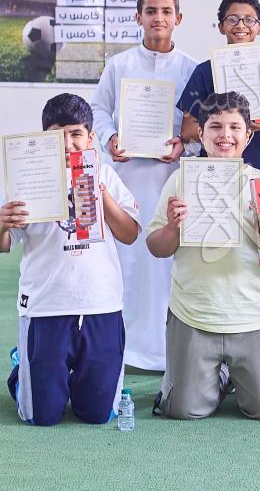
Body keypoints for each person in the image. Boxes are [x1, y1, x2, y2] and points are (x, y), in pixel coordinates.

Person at [147, 92, 260, 420]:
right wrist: (172, 227)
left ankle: (223, 375)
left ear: (249, 135)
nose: (225, 135)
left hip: (254, 315)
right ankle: (215, 376)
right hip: (195, 313)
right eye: (215, 127)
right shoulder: (181, 180)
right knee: (183, 410)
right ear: (200, 133)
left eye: (234, 127)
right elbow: (156, 247)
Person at [2, 94, 140, 425]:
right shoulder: (26, 180)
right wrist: (2, 224)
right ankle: (25, 371)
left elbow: (130, 233)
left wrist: (101, 193)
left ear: (90, 138)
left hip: (100, 304)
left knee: (98, 415)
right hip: (45, 306)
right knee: (40, 417)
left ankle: (77, 377)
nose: (67, 143)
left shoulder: (106, 176)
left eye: (76, 133)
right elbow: (4, 246)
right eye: (57, 134)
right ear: (43, 139)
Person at [89, 0, 198, 371]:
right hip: (128, 177)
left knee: (165, 262)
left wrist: (184, 146)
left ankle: (164, 348)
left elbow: (199, 125)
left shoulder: (191, 69)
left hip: (171, 177)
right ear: (138, 17)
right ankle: (125, 345)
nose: (158, 18)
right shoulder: (119, 65)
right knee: (128, 259)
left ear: (178, 18)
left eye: (166, 11)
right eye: (151, 11)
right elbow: (98, 110)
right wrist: (110, 138)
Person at [178, 0, 260, 177]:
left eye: (249, 20)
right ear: (221, 26)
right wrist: (235, 127)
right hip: (214, 172)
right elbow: (188, 131)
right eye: (232, 19)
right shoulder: (204, 72)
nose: (241, 25)